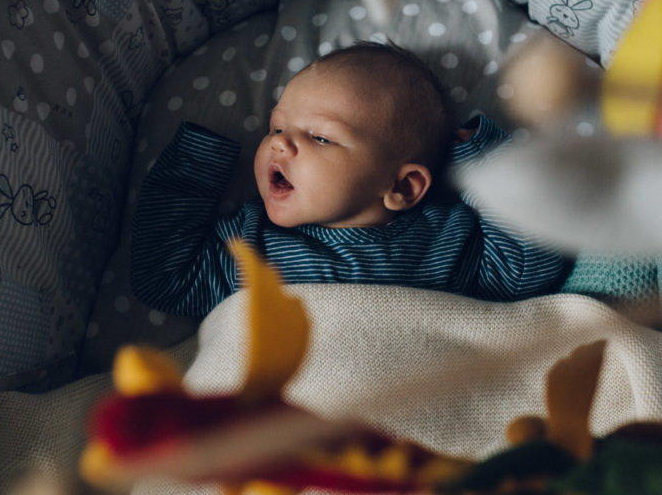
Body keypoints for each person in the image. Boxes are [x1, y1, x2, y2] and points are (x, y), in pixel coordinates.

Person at [131, 41, 570, 316]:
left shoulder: (447, 240)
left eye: (320, 137)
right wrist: (194, 168)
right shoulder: (249, 244)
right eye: (277, 128)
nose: (280, 145)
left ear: (401, 187)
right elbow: (165, 279)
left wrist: (484, 159)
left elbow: (532, 266)